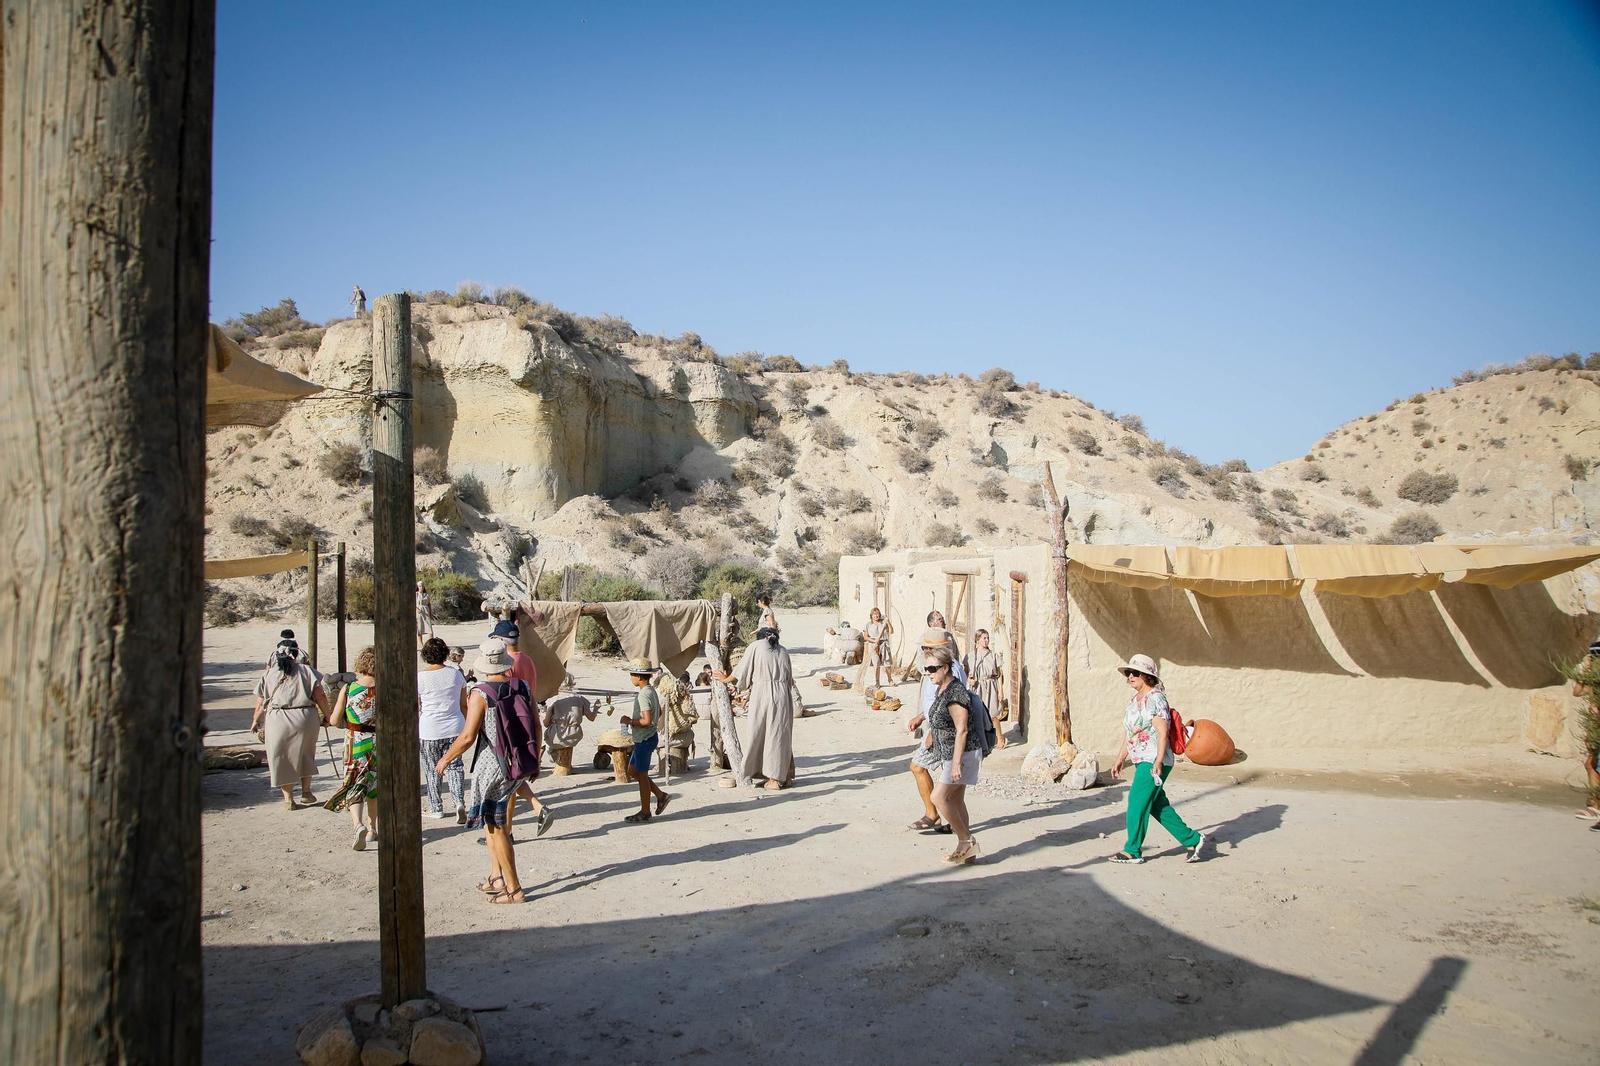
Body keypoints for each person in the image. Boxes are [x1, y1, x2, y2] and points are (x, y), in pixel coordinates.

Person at [436, 640, 531, 903]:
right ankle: (498, 877)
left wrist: (445, 759)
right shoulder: (523, 687)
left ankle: (514, 888)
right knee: (492, 824)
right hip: (518, 759)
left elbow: (468, 737)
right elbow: (534, 722)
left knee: (497, 826)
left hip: (492, 762)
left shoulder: (480, 693)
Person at [1108, 654, 1208, 865]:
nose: (1130, 676)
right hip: (1140, 758)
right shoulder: (1134, 701)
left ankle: (1132, 850)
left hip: (1153, 759)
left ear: (1147, 676)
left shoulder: (1155, 699)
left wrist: (1158, 762)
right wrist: (1120, 758)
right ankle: (1193, 839)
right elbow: (1131, 732)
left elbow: (1162, 733)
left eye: (1135, 673)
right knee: (1156, 806)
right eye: (1128, 673)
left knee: (1136, 801)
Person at [491, 619, 556, 838]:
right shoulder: (528, 660)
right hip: (529, 713)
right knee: (513, 775)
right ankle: (519, 821)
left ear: (501, 640)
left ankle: (510, 828)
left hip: (512, 719)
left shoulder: (507, 664)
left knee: (509, 774)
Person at [250, 643, 332, 811]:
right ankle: (307, 792)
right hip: (305, 716)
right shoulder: (307, 671)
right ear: (295, 655)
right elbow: (320, 696)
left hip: (278, 718)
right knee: (306, 753)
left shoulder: (268, 674)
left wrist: (256, 721)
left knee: (281, 756)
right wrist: (328, 716)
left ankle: (288, 799)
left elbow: (260, 703)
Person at [920, 642, 982, 864]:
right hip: (952, 754)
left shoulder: (956, 693)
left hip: (962, 754)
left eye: (932, 669)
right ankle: (967, 853)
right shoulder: (943, 689)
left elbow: (962, 730)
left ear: (946, 668)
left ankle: (967, 840)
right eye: (926, 669)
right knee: (956, 800)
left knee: (938, 797)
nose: (928, 674)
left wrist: (956, 764)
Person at [906, 621, 968, 832]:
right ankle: (956, 825)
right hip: (937, 728)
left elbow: (953, 705)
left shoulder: (952, 670)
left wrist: (932, 731)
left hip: (944, 733)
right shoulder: (935, 666)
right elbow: (937, 700)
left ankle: (934, 816)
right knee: (954, 786)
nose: (923, 650)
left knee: (918, 766)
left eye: (926, 647)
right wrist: (922, 716)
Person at [721, 627, 800, 790]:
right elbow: (789, 679)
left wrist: (725, 679)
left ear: (760, 637)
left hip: (763, 694)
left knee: (761, 732)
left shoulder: (756, 646)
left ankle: (774, 779)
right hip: (783, 695)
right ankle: (785, 775)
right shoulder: (783, 651)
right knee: (780, 735)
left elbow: (740, 671)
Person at [326, 647, 379, 849]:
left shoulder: (349, 689)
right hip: (378, 740)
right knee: (375, 786)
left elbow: (334, 720)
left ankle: (357, 825)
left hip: (356, 741)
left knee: (355, 783)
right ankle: (372, 827)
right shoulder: (385, 688)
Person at [417, 637, 469, 822]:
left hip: (430, 728)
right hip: (454, 725)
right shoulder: (455, 674)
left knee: (432, 768)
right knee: (455, 766)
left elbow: (418, 706)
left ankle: (435, 806)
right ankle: (459, 802)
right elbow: (464, 703)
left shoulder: (421, 677)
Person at [620, 658, 672, 821]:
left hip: (645, 739)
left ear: (639, 677)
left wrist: (630, 722)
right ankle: (660, 795)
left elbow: (646, 720)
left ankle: (645, 811)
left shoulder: (643, 695)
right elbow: (658, 714)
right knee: (633, 771)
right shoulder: (651, 692)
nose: (630, 678)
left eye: (632, 675)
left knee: (641, 775)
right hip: (647, 737)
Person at [965, 628, 1007, 749]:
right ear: (978, 639)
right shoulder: (971, 656)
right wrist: (969, 680)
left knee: (993, 714)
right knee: (977, 714)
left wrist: (1001, 691)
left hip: (991, 686)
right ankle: (981, 740)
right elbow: (965, 672)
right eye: (984, 638)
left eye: (988, 638)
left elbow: (999, 674)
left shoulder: (993, 655)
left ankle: (1000, 738)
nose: (986, 640)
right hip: (977, 687)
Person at [542, 693, 597, 775]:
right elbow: (591, 718)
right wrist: (596, 708)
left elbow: (546, 724)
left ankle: (547, 756)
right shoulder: (580, 699)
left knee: (544, 737)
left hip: (557, 735)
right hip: (574, 733)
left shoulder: (553, 700)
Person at [863, 607, 892, 690]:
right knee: (876, 664)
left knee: (887, 663)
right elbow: (865, 637)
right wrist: (873, 640)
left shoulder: (883, 623)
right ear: (871, 616)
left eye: (877, 614)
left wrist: (888, 622)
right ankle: (877, 682)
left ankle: (890, 680)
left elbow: (891, 631)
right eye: (874, 614)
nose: (876, 616)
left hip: (884, 643)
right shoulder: (868, 624)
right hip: (874, 645)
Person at [416, 581, 434, 649]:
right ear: (418, 587)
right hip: (419, 612)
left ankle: (431, 643)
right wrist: (416, 609)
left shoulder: (426, 595)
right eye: (420, 586)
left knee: (429, 628)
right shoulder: (416, 594)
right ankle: (420, 644)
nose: (421, 587)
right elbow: (413, 603)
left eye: (422, 586)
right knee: (419, 628)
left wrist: (431, 613)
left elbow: (429, 604)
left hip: (426, 610)